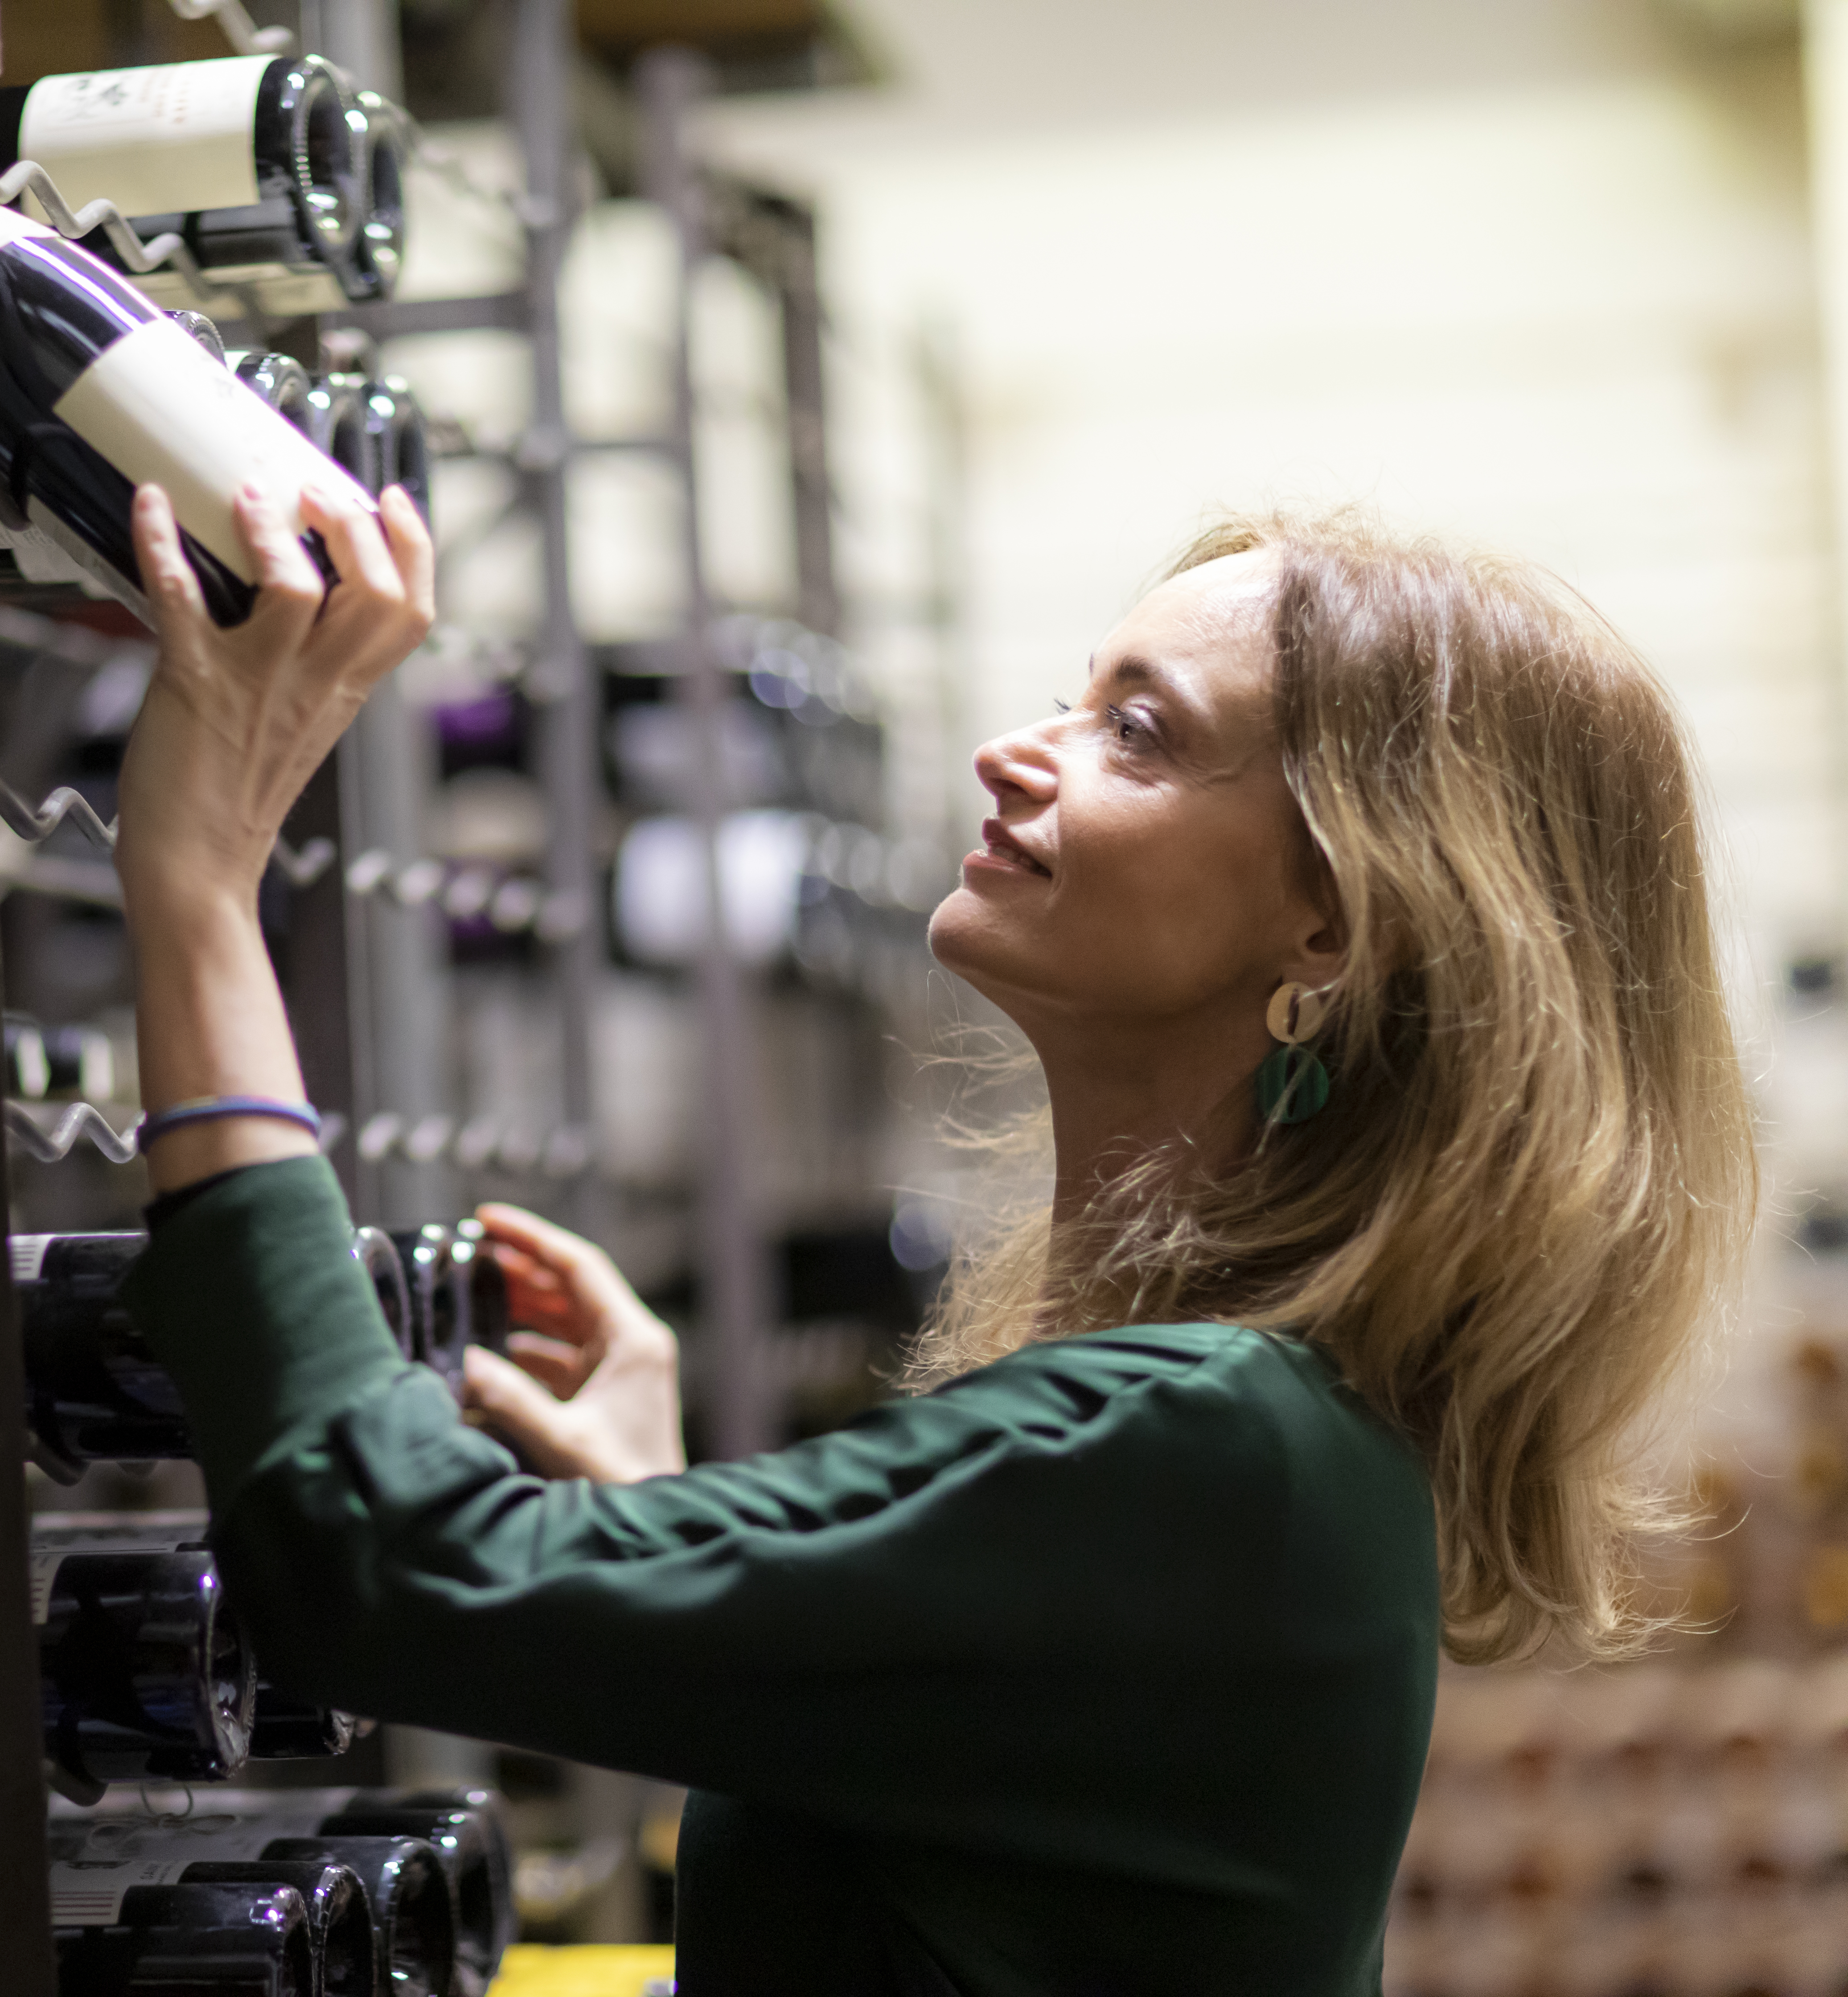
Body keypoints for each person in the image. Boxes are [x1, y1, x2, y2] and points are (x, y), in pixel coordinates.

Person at [111, 481, 1754, 1994]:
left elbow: (379, 1572)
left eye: (1139, 731)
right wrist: (662, 1527)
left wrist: (197, 884)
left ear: (1337, 920)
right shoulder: (1267, 1440)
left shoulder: (1195, 1444)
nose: (1014, 749)